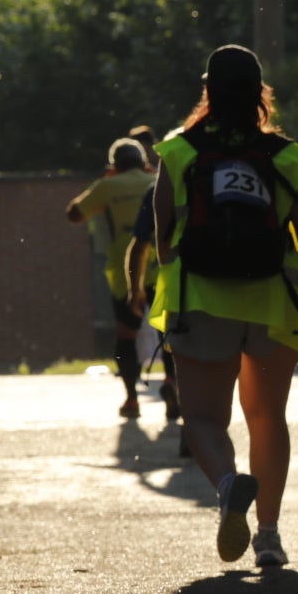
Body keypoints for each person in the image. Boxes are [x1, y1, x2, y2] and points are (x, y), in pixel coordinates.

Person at [148, 45, 298, 568]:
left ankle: (227, 485)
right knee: (268, 417)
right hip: (276, 300)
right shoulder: (287, 157)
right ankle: (268, 534)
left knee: (202, 417)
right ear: (261, 93)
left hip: (201, 300)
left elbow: (165, 238)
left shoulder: (179, 152)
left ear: (208, 90)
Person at [67, 138, 157, 418]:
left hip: (125, 271)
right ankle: (172, 386)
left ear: (114, 166)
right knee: (173, 335)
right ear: (144, 162)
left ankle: (131, 399)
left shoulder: (107, 186)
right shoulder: (157, 181)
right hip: (163, 267)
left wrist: (106, 182)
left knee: (126, 336)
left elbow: (73, 214)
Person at [124, 127, 180, 431]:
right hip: (210, 281)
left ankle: (173, 382)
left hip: (165, 282)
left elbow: (139, 246)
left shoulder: (156, 189)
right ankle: (187, 396)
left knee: (170, 341)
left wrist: (134, 290)